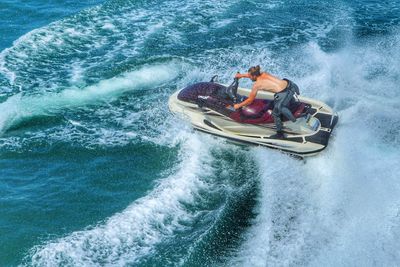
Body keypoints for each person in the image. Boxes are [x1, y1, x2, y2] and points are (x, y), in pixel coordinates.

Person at [232, 65, 300, 138]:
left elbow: (249, 100)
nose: (250, 78)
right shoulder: (263, 73)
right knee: (279, 102)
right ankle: (293, 105)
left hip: (284, 94)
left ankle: (280, 134)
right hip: (290, 85)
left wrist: (238, 106)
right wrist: (241, 75)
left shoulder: (257, 85)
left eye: (250, 76)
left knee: (275, 113)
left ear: (254, 76)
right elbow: (252, 74)